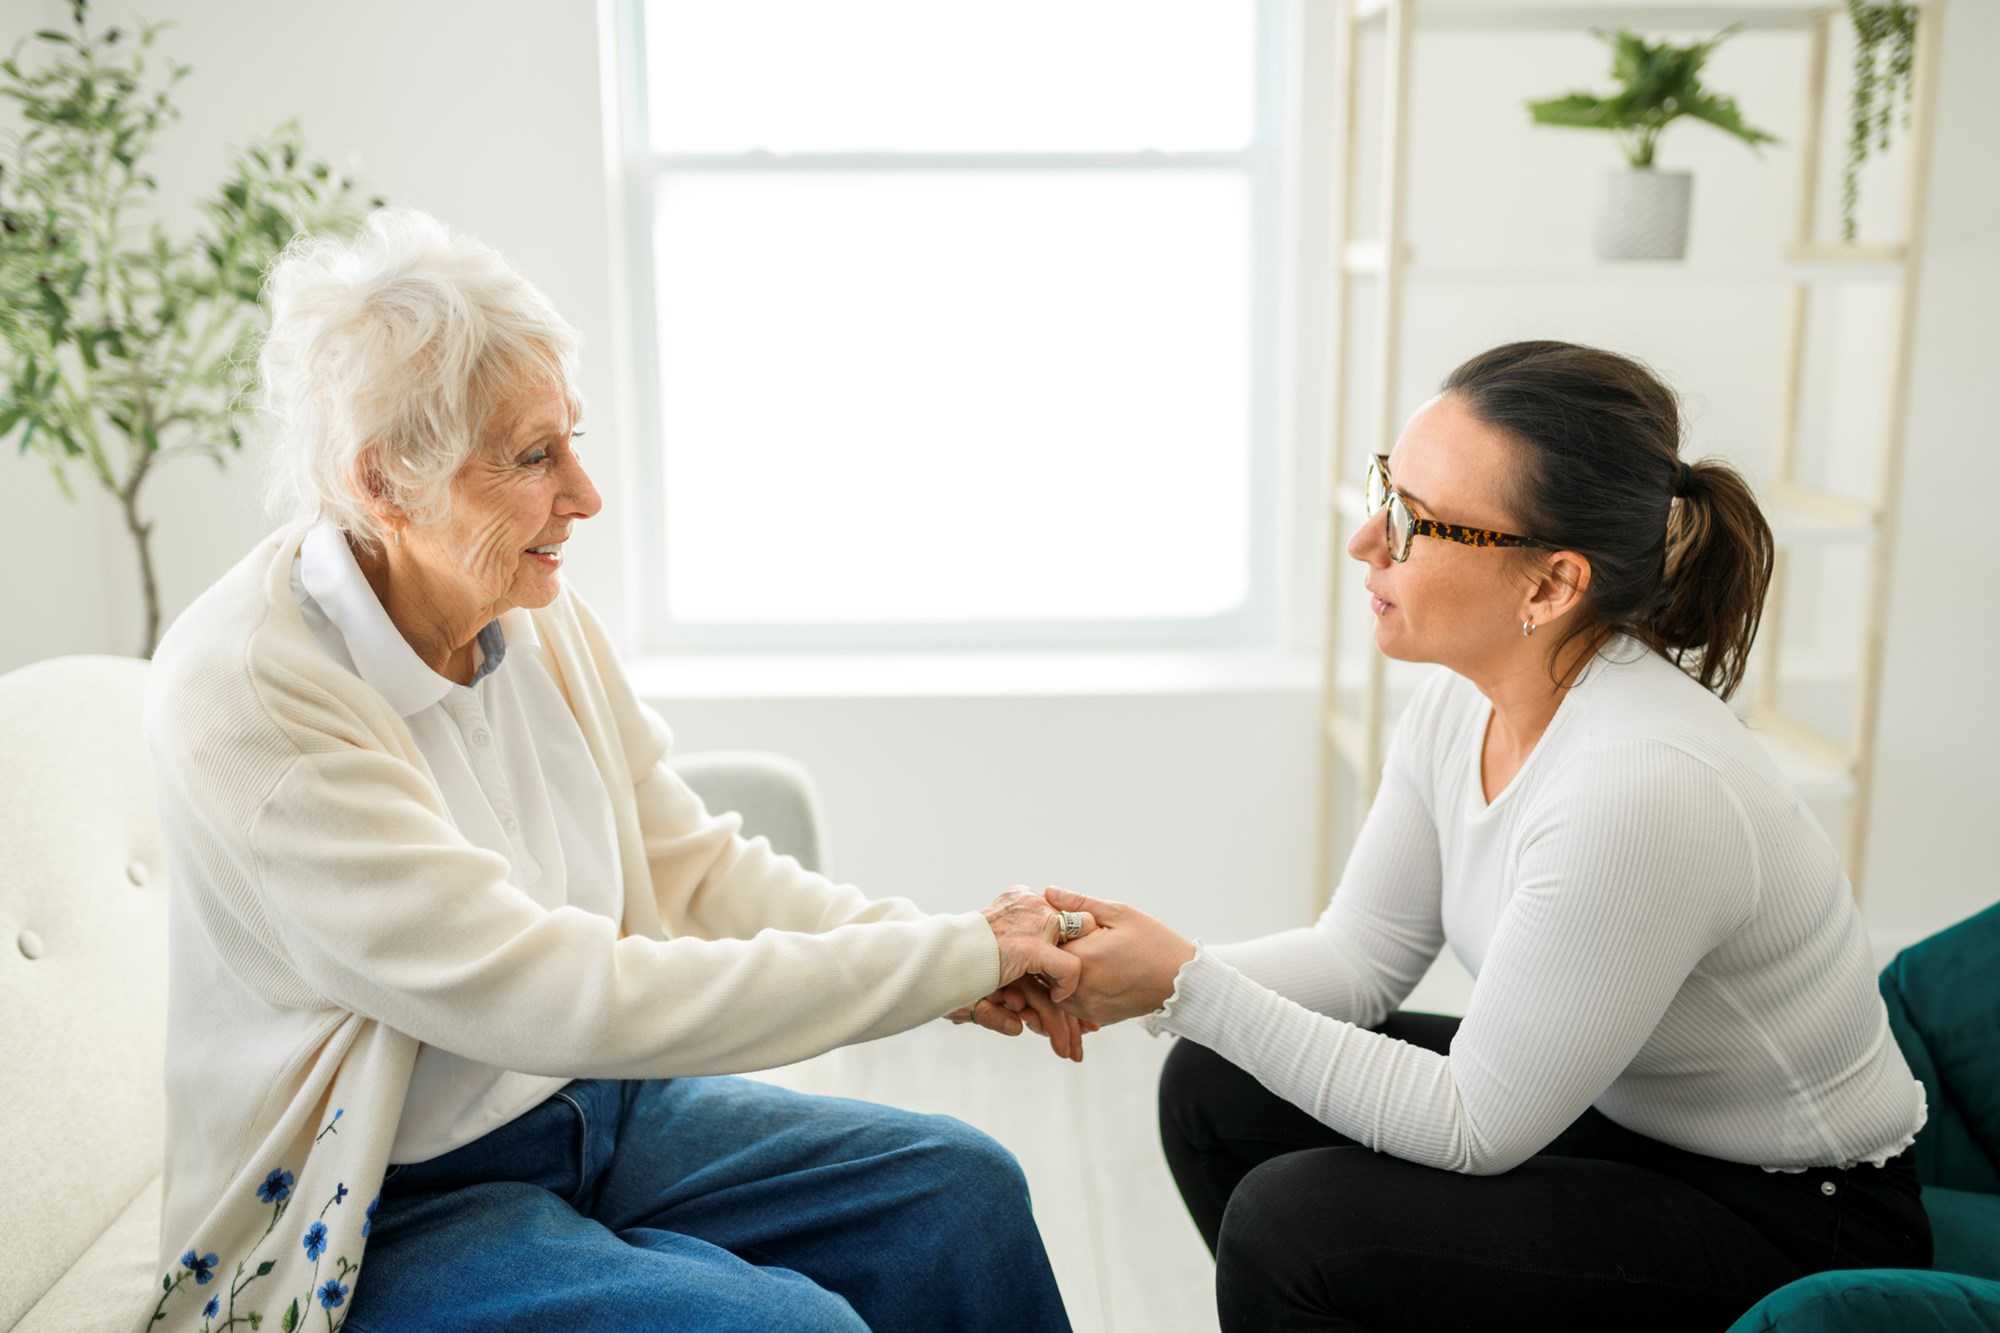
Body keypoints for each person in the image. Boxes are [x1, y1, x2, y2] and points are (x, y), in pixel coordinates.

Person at [141, 209, 1089, 1333]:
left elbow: (687, 867)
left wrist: (953, 958)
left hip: (599, 1115)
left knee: (960, 1196)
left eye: (571, 438)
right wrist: (943, 955)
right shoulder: (250, 692)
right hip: (385, 1201)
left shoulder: (523, 604)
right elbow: (553, 991)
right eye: (532, 456)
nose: (583, 494)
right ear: (385, 481)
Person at [1034, 341, 1931, 1332]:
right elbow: (1358, 960)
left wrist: (1184, 983)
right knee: (1212, 1085)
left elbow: (1476, 1125)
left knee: (1294, 1229)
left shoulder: (1641, 786)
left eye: (1413, 520)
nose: (1364, 541)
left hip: (1792, 1213)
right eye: (1386, 485)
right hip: (1619, 1125)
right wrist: (1130, 975)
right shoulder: (1459, 709)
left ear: (1548, 587)